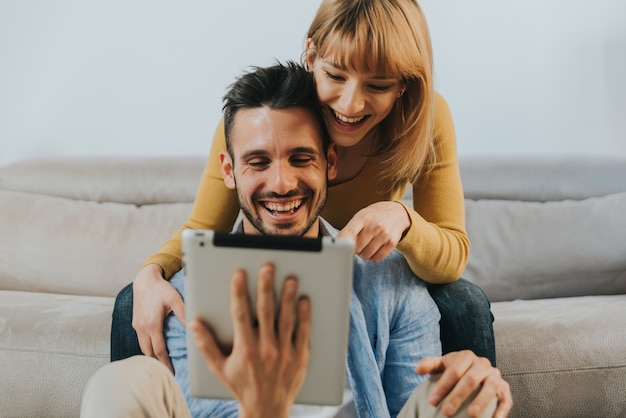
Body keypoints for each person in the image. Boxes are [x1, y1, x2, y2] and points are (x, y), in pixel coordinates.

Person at [84, 61, 509, 418]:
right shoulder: (184, 296)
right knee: (119, 384)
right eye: (258, 161)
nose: (282, 183)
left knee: (466, 389)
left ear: (329, 162)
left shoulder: (392, 284)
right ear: (229, 171)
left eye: (300, 158)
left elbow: (409, 403)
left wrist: (467, 386)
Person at [112, 0, 496, 377]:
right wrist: (150, 274)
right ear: (311, 54)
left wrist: (403, 219)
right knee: (134, 299)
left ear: (404, 87)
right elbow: (204, 226)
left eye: (377, 85)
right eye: (335, 75)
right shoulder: (261, 117)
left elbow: (452, 252)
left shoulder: (423, 119)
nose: (350, 103)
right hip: (273, 262)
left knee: (466, 303)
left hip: (362, 277)